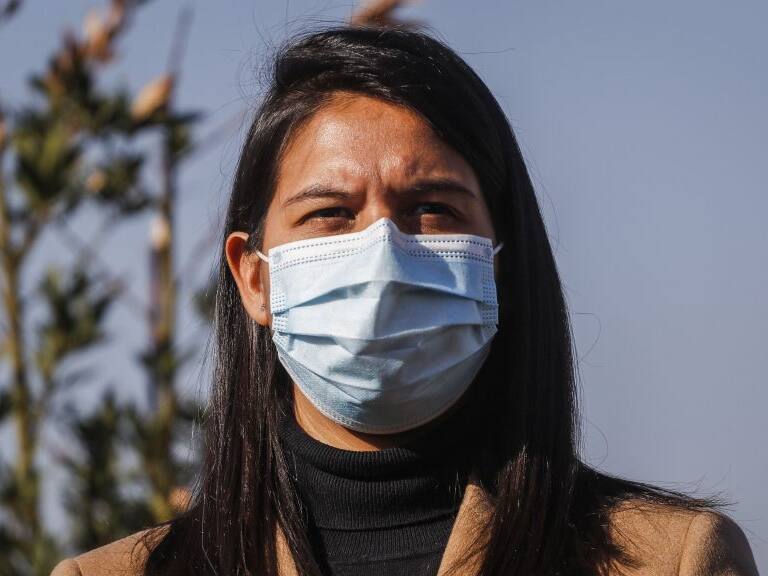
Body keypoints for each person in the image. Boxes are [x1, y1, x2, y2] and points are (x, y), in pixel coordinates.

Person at [51, 26, 759, 576]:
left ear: (502, 264)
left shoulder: (670, 559)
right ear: (254, 277)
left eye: (432, 208)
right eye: (330, 212)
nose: (383, 250)